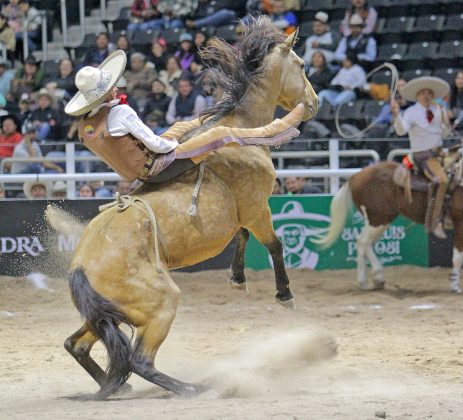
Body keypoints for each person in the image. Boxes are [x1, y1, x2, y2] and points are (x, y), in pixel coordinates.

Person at [65, 50, 304, 185]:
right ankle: (275, 131)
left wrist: (172, 139)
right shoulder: (120, 112)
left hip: (141, 170)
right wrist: (176, 147)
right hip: (159, 165)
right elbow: (154, 143)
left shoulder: (90, 123)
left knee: (181, 125)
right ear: (108, 91)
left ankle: (212, 116)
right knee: (220, 134)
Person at [390, 76, 451, 239]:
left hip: (440, 153)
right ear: (417, 96)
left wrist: (445, 121)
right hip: (423, 155)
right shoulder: (411, 112)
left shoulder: (438, 110)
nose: (426, 95)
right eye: (423, 93)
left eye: (429, 93)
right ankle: (435, 221)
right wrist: (396, 115)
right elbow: (401, 131)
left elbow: (445, 133)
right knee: (442, 180)